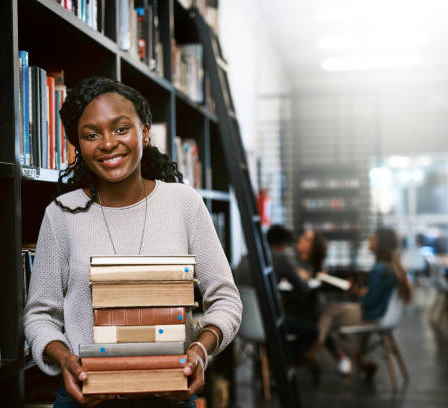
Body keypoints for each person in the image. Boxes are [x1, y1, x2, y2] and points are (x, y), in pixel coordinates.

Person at [24, 77, 242, 408]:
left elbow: (226, 299)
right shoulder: (61, 213)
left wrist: (199, 351)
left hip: (170, 393)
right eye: (91, 135)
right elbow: (40, 315)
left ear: (145, 131)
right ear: (78, 145)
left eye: (120, 128)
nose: (108, 143)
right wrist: (64, 358)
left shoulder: (184, 203)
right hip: (87, 396)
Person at [314, 227, 413, 376]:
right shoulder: (392, 267)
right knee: (332, 316)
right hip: (384, 315)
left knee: (328, 314)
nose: (369, 242)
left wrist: (357, 293)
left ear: (380, 244)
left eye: (372, 239)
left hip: (374, 315)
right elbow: (377, 295)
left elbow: (368, 302)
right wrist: (360, 292)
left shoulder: (379, 269)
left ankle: (314, 350)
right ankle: (360, 360)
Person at [234, 225, 317, 361]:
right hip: (267, 323)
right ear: (283, 244)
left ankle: (272, 360)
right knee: (312, 331)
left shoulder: (245, 257)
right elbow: (303, 288)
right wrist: (305, 277)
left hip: (240, 325)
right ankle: (284, 360)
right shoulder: (279, 258)